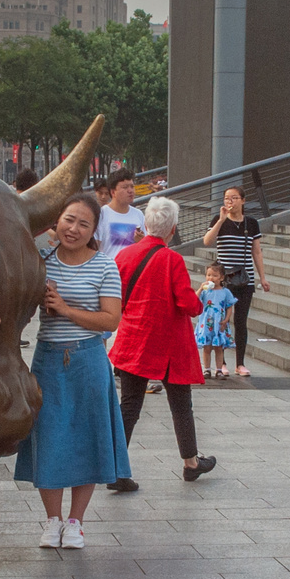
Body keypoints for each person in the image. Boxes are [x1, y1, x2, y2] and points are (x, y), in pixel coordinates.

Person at [15, 193, 128, 549]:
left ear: (94, 229)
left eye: (84, 223)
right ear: (55, 222)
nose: (74, 229)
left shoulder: (105, 266)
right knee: (48, 438)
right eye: (68, 220)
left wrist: (65, 309)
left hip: (89, 361)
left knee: (88, 440)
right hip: (48, 360)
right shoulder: (42, 261)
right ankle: (52, 521)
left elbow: (111, 319)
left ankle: (76, 522)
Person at [109, 196, 217, 489]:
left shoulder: (124, 257)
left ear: (145, 225)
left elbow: (116, 296)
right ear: (172, 230)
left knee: (129, 405)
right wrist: (199, 298)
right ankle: (191, 463)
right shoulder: (172, 260)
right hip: (170, 345)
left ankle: (116, 468)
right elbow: (188, 305)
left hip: (134, 339)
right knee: (181, 404)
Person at [201, 185, 269, 377]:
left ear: (243, 200)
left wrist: (262, 277)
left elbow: (256, 251)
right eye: (226, 198)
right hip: (224, 281)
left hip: (244, 279)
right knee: (220, 320)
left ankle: (240, 363)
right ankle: (221, 363)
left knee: (241, 321)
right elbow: (207, 241)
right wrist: (221, 219)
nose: (229, 202)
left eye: (234, 198)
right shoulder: (219, 220)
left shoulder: (251, 223)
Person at [195, 262, 237, 378]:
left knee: (219, 348)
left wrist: (226, 320)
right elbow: (195, 298)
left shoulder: (225, 292)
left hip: (219, 323)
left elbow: (229, 306)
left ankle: (219, 369)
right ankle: (207, 369)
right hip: (206, 322)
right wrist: (200, 288)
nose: (210, 278)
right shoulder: (205, 291)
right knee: (207, 347)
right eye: (208, 275)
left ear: (221, 277)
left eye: (214, 275)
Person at [96, 169, 147, 262]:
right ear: (113, 192)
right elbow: (94, 248)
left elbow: (146, 246)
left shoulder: (138, 214)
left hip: (133, 271)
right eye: (125, 187)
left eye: (132, 186)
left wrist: (141, 241)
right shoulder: (101, 214)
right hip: (110, 272)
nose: (130, 191)